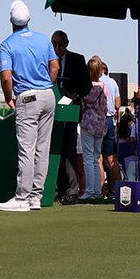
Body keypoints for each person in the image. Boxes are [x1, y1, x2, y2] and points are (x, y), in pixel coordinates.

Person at [0, 0, 60, 212]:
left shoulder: (7, 44)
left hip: (27, 97)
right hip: (48, 95)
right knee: (43, 149)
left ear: (10, 20)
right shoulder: (44, 39)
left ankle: (22, 197)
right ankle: (36, 197)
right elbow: (55, 66)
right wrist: (47, 84)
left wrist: (8, 98)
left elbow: (6, 78)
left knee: (27, 149)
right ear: (29, 18)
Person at [51, 31, 89, 205]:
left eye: (60, 44)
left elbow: (86, 85)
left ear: (66, 43)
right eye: (54, 44)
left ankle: (72, 191)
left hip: (71, 110)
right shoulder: (47, 60)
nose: (57, 47)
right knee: (52, 150)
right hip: (51, 110)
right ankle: (53, 189)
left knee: (69, 150)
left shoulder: (77, 59)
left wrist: (75, 96)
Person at [79, 56, 108, 201]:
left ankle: (90, 190)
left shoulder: (87, 88)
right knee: (96, 158)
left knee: (88, 158)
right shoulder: (104, 87)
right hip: (101, 126)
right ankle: (96, 190)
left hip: (88, 125)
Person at [98, 62, 121, 196]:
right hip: (110, 121)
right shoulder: (113, 82)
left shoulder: (94, 81)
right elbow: (118, 104)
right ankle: (118, 191)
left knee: (98, 158)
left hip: (98, 119)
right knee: (112, 158)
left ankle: (101, 191)